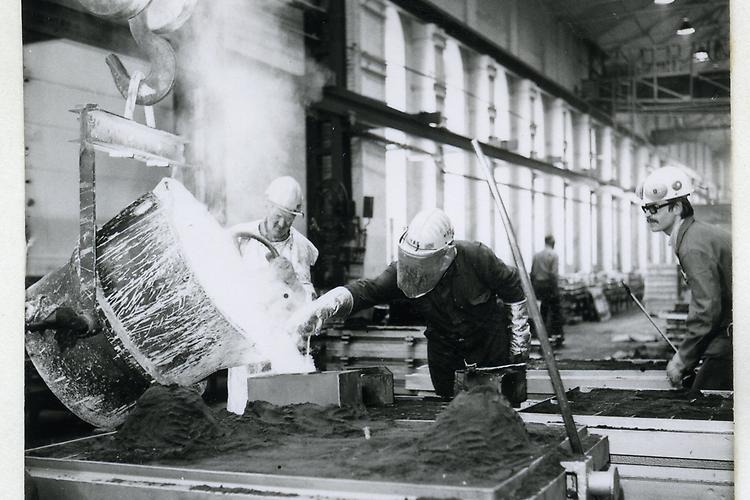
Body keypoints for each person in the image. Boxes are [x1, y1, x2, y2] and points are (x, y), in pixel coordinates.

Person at [286, 208, 531, 400]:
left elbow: (514, 291)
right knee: (450, 415)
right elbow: (369, 290)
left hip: (489, 354)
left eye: (424, 263)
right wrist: (329, 304)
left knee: (496, 415)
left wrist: (519, 345)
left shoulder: (478, 257)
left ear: (446, 255)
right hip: (445, 357)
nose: (417, 270)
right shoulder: (409, 272)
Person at [226, 176, 319, 414]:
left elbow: (306, 301)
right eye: (277, 217)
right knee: (243, 406)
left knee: (281, 409)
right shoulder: (239, 237)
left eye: (287, 221)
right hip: (247, 336)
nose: (280, 225)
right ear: (267, 206)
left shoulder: (302, 248)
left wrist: (293, 282)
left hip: (282, 337)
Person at [637, 166, 732, 390]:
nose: (649, 215)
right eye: (645, 209)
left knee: (703, 402)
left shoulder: (692, 246)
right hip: (730, 328)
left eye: (654, 208)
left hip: (733, 332)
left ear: (677, 207)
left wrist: (682, 360)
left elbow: (706, 309)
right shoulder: (696, 235)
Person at [530, 235, 565, 345]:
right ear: (552, 242)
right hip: (549, 285)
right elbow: (553, 274)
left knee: (542, 311)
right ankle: (556, 335)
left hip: (538, 286)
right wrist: (555, 290)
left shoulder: (536, 255)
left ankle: (542, 334)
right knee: (555, 310)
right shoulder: (553, 255)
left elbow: (532, 273)